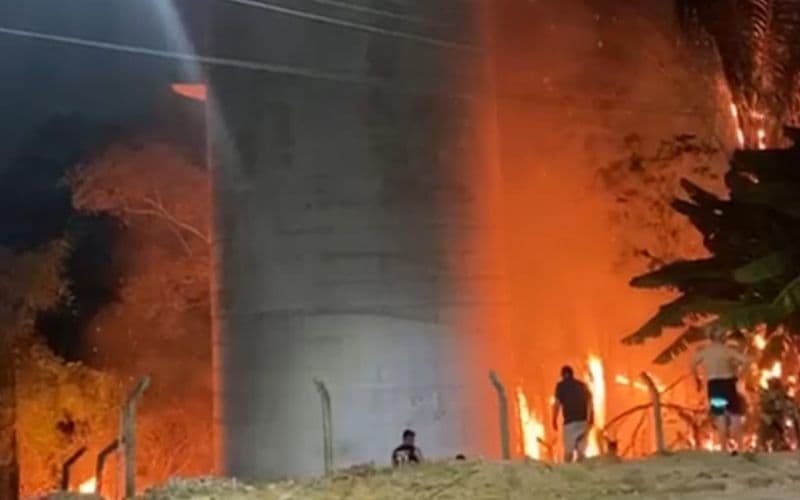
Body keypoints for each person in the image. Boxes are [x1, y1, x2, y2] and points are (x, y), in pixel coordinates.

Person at [691, 329, 751, 453]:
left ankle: (724, 449)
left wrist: (696, 379)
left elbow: (692, 364)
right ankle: (740, 448)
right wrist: (740, 376)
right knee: (735, 416)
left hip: (714, 386)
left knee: (720, 416)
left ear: (710, 337)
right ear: (723, 337)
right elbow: (746, 361)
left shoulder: (705, 352)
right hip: (728, 384)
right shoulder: (727, 351)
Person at [552, 365, 593, 463]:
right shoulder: (581, 385)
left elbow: (557, 404)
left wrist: (554, 419)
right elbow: (590, 401)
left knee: (568, 453)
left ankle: (568, 473)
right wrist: (591, 418)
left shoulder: (561, 386)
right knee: (581, 453)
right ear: (572, 374)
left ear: (562, 375)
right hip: (583, 422)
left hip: (569, 424)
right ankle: (582, 473)